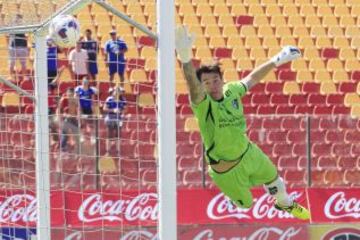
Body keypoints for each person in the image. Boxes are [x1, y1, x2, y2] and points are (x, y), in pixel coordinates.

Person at [175, 26, 310, 220]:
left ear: (222, 80)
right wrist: (186, 58)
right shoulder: (204, 105)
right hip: (226, 171)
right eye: (206, 82)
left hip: (248, 152)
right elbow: (193, 89)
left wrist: (276, 60)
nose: (212, 85)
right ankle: (235, 196)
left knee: (276, 181)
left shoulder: (232, 91)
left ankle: (285, 204)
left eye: (215, 80)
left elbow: (252, 78)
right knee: (246, 204)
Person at [103, 86, 126, 154]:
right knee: (109, 135)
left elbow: (126, 109)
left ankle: (118, 151)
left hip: (119, 119)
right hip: (110, 118)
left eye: (118, 91)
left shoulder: (123, 100)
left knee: (118, 135)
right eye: (115, 91)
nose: (116, 92)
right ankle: (108, 151)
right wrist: (113, 110)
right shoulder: (109, 99)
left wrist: (121, 111)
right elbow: (104, 108)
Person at [57, 87, 80, 153]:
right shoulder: (63, 100)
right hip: (66, 119)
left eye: (71, 93)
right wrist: (61, 118)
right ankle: (62, 149)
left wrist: (78, 116)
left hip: (74, 119)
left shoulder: (75, 100)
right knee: (65, 134)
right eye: (68, 93)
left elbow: (78, 109)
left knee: (77, 135)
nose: (69, 94)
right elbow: (59, 111)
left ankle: (77, 150)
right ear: (67, 93)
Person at [8, 15, 28, 80]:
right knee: (12, 62)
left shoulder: (25, 26)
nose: (18, 20)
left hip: (22, 47)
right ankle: (10, 76)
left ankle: (24, 76)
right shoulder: (12, 26)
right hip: (13, 47)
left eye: (19, 19)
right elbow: (9, 34)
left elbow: (27, 35)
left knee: (23, 63)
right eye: (16, 19)